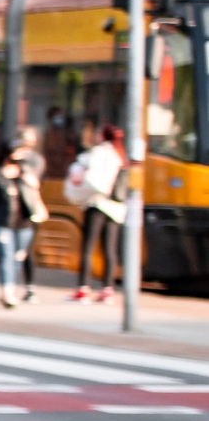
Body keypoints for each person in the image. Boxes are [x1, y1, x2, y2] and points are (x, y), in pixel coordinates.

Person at [0, 124, 48, 309]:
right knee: (6, 256)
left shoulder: (27, 171)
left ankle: (13, 287)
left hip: (24, 223)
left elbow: (36, 184)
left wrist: (26, 174)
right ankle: (8, 291)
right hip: (4, 223)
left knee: (18, 257)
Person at [67, 122, 128, 303]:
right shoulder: (120, 155)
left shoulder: (99, 152)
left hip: (97, 203)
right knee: (109, 249)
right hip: (116, 207)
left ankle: (82, 289)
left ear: (102, 136)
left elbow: (89, 177)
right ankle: (107, 290)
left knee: (88, 247)